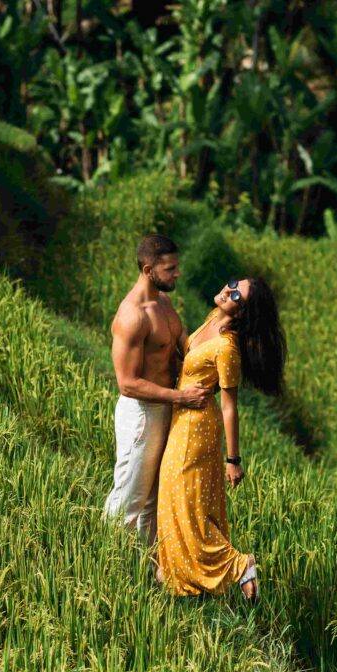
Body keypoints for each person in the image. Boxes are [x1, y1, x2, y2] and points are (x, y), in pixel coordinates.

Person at [157, 277, 286, 603]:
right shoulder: (212, 320)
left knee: (185, 503)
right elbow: (189, 355)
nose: (228, 290)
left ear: (242, 312)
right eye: (232, 283)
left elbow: (230, 407)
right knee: (177, 499)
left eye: (236, 293)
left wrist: (234, 460)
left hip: (197, 429)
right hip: (182, 416)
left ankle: (239, 566)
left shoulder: (228, 348)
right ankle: (173, 572)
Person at [103, 234, 214, 546]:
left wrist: (222, 332)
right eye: (170, 269)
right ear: (149, 271)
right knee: (129, 497)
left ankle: (148, 573)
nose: (177, 273)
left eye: (176, 266)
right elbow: (127, 383)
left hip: (167, 407)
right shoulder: (132, 315)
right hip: (142, 415)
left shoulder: (163, 302)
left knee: (155, 500)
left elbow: (185, 347)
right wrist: (182, 397)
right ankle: (107, 565)